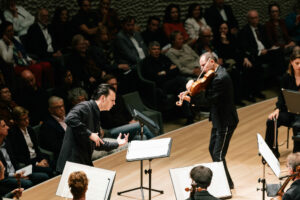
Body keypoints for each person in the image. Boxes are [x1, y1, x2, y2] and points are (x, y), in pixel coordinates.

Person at [179, 52, 238, 189]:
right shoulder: (213, 74)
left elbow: (208, 101)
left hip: (226, 121)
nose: (202, 70)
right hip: (218, 119)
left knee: (218, 154)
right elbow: (204, 86)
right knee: (212, 149)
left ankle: (226, 185)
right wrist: (191, 88)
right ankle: (227, 182)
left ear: (212, 61)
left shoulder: (221, 78)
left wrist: (190, 97)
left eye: (203, 65)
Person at [56, 84, 128, 173]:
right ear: (103, 98)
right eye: (112, 100)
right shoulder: (85, 106)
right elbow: (70, 118)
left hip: (82, 163)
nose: (114, 103)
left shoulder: (95, 113)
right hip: (72, 165)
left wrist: (117, 144)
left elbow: (98, 143)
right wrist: (90, 134)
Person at [264, 49, 300, 157]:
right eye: (297, 63)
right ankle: (272, 154)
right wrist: (277, 109)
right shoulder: (286, 78)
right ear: (291, 63)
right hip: (290, 113)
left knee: (297, 125)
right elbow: (281, 97)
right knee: (271, 121)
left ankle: (296, 157)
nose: (299, 66)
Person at [0, 118, 48, 191]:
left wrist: (20, 173)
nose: (8, 127)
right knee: (28, 183)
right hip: (5, 177)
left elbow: (14, 160)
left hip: (16, 172)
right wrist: (15, 176)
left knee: (43, 176)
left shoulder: (6, 141)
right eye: (4, 126)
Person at [101, 74, 154, 140]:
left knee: (142, 137)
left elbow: (126, 113)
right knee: (141, 125)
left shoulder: (119, 97)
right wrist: (128, 123)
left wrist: (132, 120)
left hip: (123, 126)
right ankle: (158, 144)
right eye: (112, 85)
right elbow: (109, 122)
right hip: (111, 130)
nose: (114, 86)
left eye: (116, 84)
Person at [8, 106, 53, 177]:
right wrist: (36, 163)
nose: (27, 121)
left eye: (27, 118)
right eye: (23, 119)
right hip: (27, 163)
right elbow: (19, 156)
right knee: (49, 170)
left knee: (54, 164)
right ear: (16, 121)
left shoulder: (30, 129)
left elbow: (36, 148)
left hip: (36, 159)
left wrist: (42, 160)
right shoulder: (13, 134)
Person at [40, 96, 67, 160]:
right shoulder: (47, 125)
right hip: (64, 154)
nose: (62, 108)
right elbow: (54, 146)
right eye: (58, 107)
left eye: (62, 105)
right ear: (50, 110)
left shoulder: (68, 117)